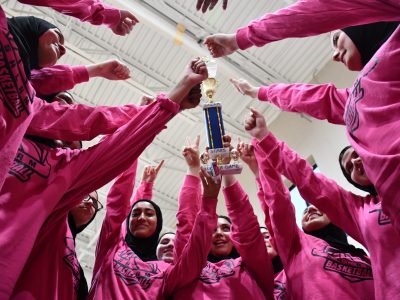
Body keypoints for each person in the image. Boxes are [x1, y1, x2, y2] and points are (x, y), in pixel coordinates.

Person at [0, 57, 207, 299]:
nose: (63, 109)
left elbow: (118, 148)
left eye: (69, 105)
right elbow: (119, 203)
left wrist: (166, 105)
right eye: (57, 103)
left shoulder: (65, 168)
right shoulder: (11, 130)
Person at [204, 0, 400, 231]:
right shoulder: (358, 96)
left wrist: (239, 39)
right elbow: (316, 98)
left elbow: (323, 9)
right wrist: (259, 92)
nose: (335, 55)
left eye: (336, 39)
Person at [246, 108, 400, 299]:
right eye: (349, 167)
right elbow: (296, 188)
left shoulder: (368, 260)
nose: (356, 162)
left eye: (357, 156)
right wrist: (264, 140)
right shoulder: (356, 212)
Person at [0, 0, 137, 190]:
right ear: (33, 27)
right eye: (58, 36)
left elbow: (79, 118)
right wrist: (105, 14)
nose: (63, 49)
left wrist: (148, 111)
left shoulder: (27, 104)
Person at [88, 157, 221, 299]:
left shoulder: (169, 270)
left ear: (158, 225)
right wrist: (134, 148)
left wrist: (207, 197)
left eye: (150, 214)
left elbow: (187, 228)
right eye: (135, 214)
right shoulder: (111, 248)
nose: (142, 218)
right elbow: (118, 202)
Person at [173, 135, 274, 299]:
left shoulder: (254, 265)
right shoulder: (186, 269)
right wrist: (193, 169)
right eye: (212, 230)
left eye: (226, 228)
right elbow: (186, 222)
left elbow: (245, 221)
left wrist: (227, 168)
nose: (219, 233)